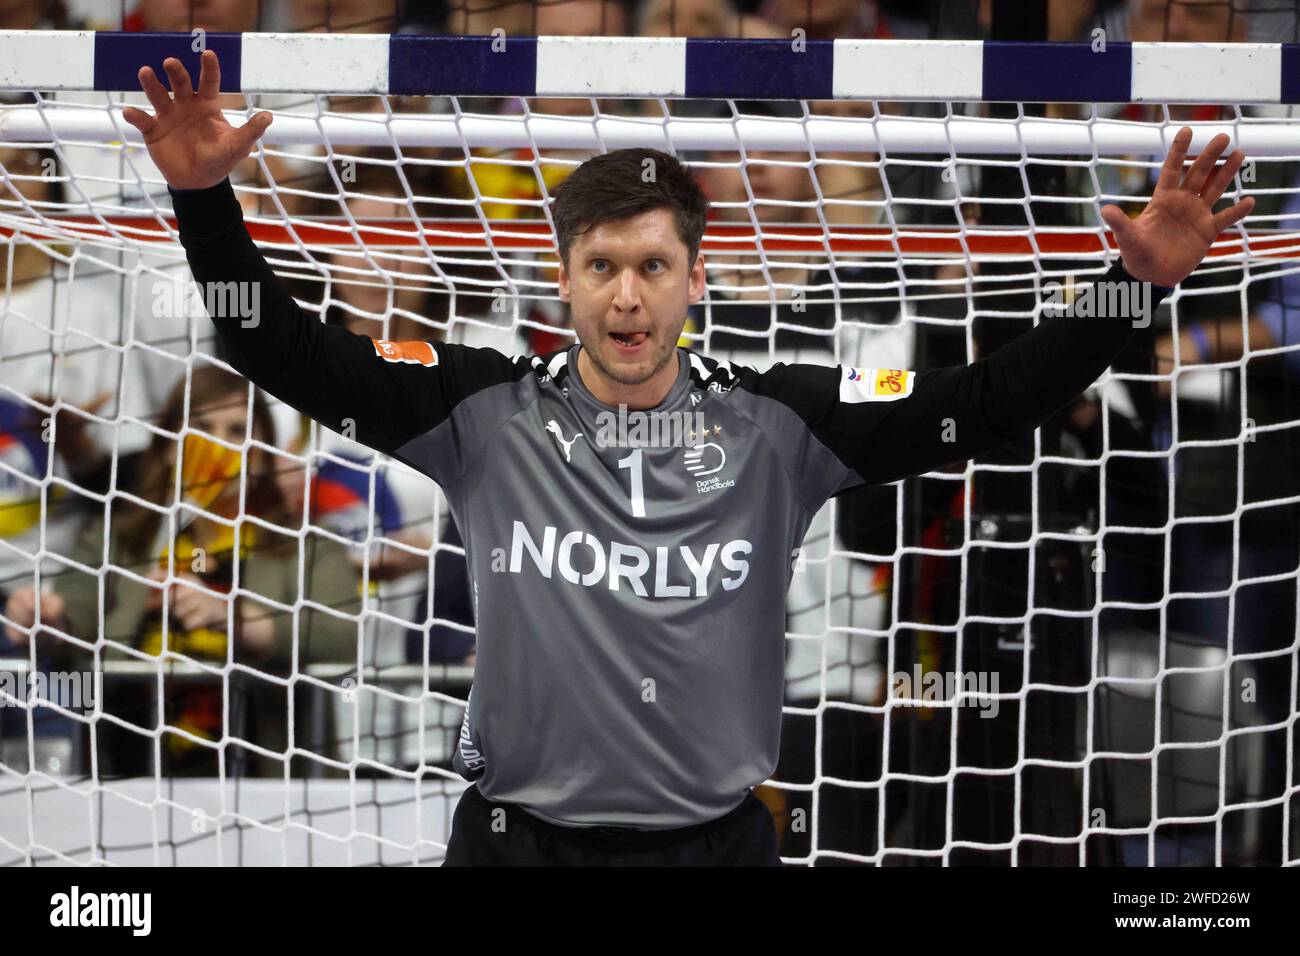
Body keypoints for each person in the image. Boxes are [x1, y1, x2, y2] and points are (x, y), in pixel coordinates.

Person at [121, 49, 1251, 865]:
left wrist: (1133, 287)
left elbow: (989, 400)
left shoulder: (781, 421)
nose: (626, 294)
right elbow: (266, 342)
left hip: (713, 847)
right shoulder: (478, 408)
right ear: (562, 280)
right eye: (602, 264)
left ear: (695, 280)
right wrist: (201, 200)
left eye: (654, 266)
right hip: (515, 844)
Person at [3, 365, 364, 777]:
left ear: (263, 456)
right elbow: (75, 614)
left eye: (236, 431)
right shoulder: (119, 537)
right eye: (202, 427)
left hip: (266, 782)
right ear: (171, 445)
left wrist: (235, 618)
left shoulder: (307, 547)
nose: (216, 446)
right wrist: (45, 616)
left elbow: (343, 639)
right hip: (129, 773)